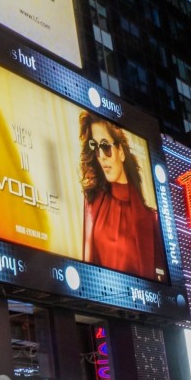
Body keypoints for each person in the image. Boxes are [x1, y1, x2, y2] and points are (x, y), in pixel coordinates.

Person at [78, 112, 165, 280]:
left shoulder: (151, 219)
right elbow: (87, 269)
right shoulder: (93, 202)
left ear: (121, 152)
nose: (101, 156)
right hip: (101, 300)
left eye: (105, 146)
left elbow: (160, 284)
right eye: (95, 147)